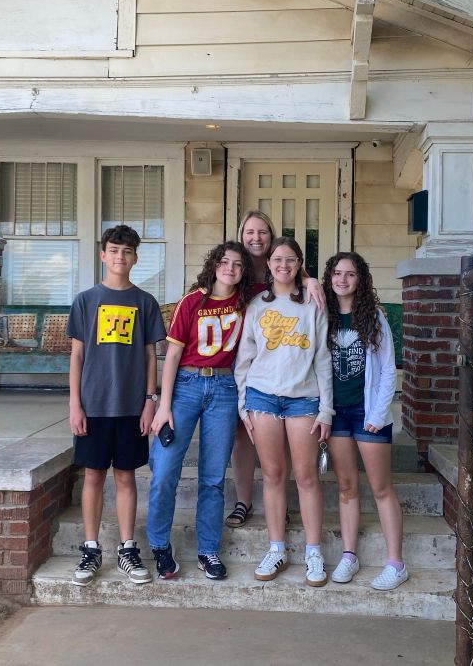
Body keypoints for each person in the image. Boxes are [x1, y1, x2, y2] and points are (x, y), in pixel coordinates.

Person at [146, 242, 255, 581]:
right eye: (225, 262)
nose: (231, 268)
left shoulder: (246, 303)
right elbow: (173, 356)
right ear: (214, 264)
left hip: (224, 389)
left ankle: (208, 550)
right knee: (164, 471)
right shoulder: (192, 301)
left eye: (238, 264)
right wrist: (163, 406)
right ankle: (160, 545)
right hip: (186, 388)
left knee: (212, 477)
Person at [67, 224, 166, 586]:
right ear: (103, 255)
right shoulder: (85, 300)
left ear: (135, 258)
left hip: (130, 406)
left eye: (127, 251)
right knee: (93, 475)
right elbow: (77, 357)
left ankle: (127, 548)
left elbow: (151, 356)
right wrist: (75, 404)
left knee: (126, 475)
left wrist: (149, 401)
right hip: (93, 405)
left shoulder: (145, 302)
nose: (120, 257)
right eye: (113, 250)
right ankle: (91, 549)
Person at [234, 237, 333, 586]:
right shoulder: (257, 304)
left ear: (299, 263)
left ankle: (313, 551)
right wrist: (244, 404)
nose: (283, 265)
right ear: (269, 264)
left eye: (290, 260)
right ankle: (276, 548)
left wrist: (326, 409)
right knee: (273, 475)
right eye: (277, 259)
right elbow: (244, 358)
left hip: (303, 399)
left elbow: (322, 358)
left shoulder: (312, 303)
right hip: (262, 397)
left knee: (306, 477)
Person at [225, 210, 325, 529]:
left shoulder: (286, 270)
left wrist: (311, 280)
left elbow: (301, 280)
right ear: (241, 235)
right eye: (249, 232)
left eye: (262, 232)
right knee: (243, 434)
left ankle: (279, 504)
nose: (256, 237)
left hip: (285, 363)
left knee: (281, 434)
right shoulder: (235, 270)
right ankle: (244, 500)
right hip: (242, 360)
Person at [322, 252, 408, 591]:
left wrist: (376, 413)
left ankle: (395, 563)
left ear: (361, 280)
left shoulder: (374, 318)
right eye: (337, 273)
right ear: (329, 278)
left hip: (368, 413)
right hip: (337, 414)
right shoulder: (323, 318)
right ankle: (349, 555)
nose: (343, 280)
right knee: (346, 487)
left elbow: (388, 368)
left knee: (381, 487)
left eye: (351, 274)